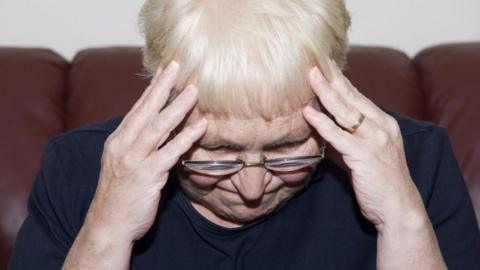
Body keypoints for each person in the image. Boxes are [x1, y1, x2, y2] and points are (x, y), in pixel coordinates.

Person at [8, 0, 480, 269]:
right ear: (163, 98)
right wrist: (107, 231)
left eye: (288, 149)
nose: (252, 189)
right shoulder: (78, 170)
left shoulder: (418, 164)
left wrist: (401, 221)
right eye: (215, 152)